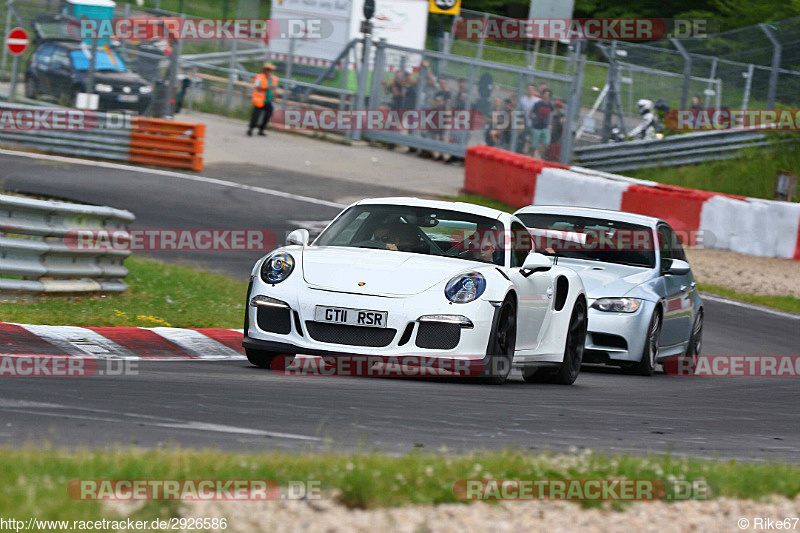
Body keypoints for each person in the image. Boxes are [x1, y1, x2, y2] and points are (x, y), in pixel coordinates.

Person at [248, 62, 278, 137]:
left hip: (269, 100)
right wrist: (268, 87)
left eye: (270, 70)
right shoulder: (259, 77)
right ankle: (251, 129)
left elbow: (274, 88)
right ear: (264, 70)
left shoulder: (274, 78)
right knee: (256, 115)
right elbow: (257, 87)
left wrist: (275, 97)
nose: (269, 71)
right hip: (260, 100)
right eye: (268, 69)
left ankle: (261, 129)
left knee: (268, 115)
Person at [530, 89, 554, 158]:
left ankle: (541, 157)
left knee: (546, 144)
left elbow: (551, 115)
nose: (546, 96)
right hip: (537, 127)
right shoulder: (538, 104)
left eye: (547, 95)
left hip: (545, 127)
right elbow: (531, 114)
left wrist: (549, 124)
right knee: (534, 145)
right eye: (545, 94)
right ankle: (531, 157)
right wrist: (534, 121)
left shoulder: (550, 106)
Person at [517, 83, 540, 152]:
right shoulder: (522, 99)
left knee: (531, 141)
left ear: (534, 91)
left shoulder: (537, 100)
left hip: (533, 124)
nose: (530, 91)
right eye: (529, 89)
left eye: (532, 89)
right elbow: (519, 111)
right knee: (522, 139)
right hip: (523, 123)